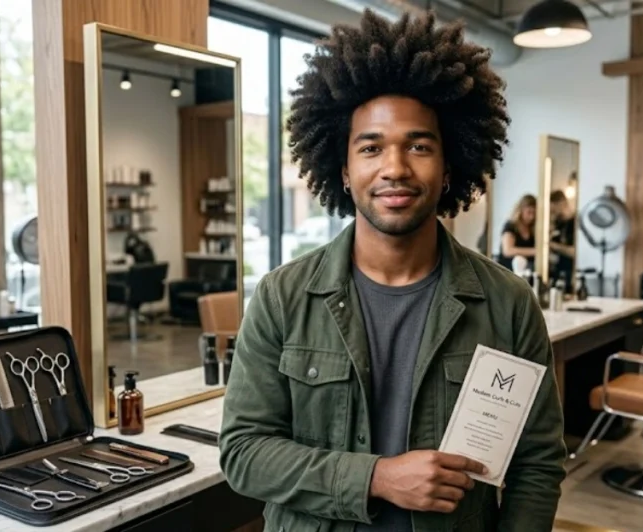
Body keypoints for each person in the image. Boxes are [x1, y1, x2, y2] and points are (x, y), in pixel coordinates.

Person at [219, 9, 566, 532]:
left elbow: (536, 464)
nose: (395, 168)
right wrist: (376, 478)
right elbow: (244, 453)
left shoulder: (508, 303)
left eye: (419, 146)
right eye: (371, 147)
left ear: (450, 166)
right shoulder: (282, 297)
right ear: (343, 168)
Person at [499, 194, 537, 272]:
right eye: (529, 212)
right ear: (521, 211)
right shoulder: (510, 226)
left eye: (534, 213)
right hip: (507, 271)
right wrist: (534, 251)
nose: (531, 217)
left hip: (527, 272)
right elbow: (507, 250)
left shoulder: (533, 229)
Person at [549, 190, 576, 290]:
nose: (553, 213)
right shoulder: (558, 223)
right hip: (557, 272)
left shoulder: (574, 223)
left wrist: (554, 246)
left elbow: (574, 252)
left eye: (554, 209)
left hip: (570, 274)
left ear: (562, 203)